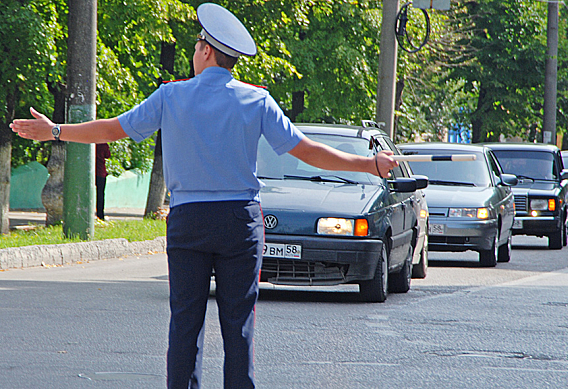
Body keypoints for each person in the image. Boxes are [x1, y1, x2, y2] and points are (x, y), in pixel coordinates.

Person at [10, 3, 398, 388]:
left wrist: (56, 130)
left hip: (188, 220)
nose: (194, 53)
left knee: (185, 323)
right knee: (238, 326)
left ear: (206, 51)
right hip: (239, 222)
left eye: (196, 46)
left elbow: (113, 129)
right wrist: (369, 165)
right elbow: (306, 150)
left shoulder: (171, 96)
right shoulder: (257, 100)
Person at [95, 143, 110, 220]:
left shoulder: (90, 143)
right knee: (100, 194)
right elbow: (107, 155)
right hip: (101, 172)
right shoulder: (103, 144)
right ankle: (100, 214)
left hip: (91, 172)